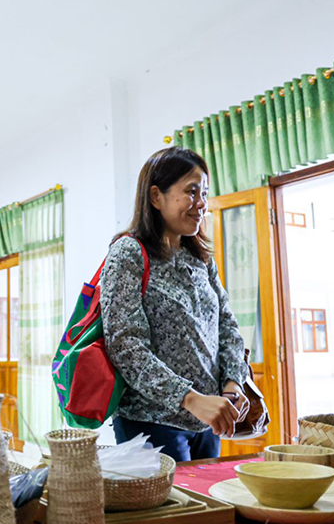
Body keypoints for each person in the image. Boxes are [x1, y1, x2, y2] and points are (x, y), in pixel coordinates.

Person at [100, 147, 250, 462]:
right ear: (156, 196)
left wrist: (234, 385)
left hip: (207, 421)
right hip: (151, 422)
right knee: (175, 509)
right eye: (191, 192)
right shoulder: (128, 253)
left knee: (208, 508)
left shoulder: (201, 259)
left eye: (204, 193)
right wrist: (190, 398)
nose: (201, 204)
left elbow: (227, 326)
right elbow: (126, 348)